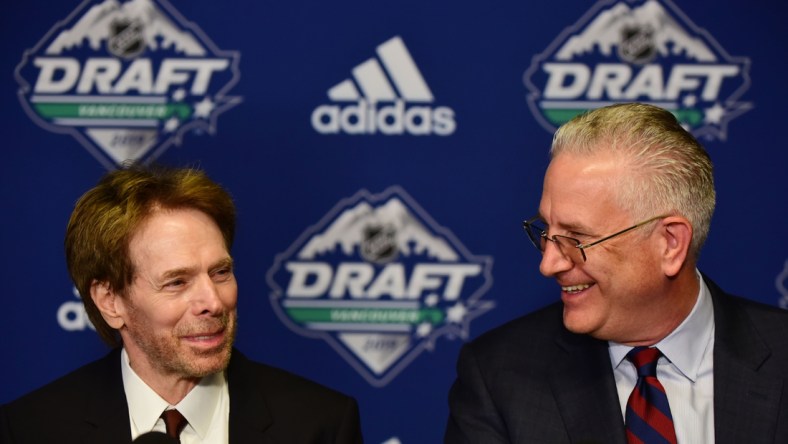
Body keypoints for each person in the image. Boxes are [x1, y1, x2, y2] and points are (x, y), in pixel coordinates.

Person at [445, 103, 788, 443]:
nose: (548, 264)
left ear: (670, 243)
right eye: (547, 230)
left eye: (576, 238)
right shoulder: (499, 376)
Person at [0, 165, 364, 443]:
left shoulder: (321, 425)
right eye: (177, 282)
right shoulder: (32, 430)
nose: (213, 301)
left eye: (220, 272)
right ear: (110, 302)